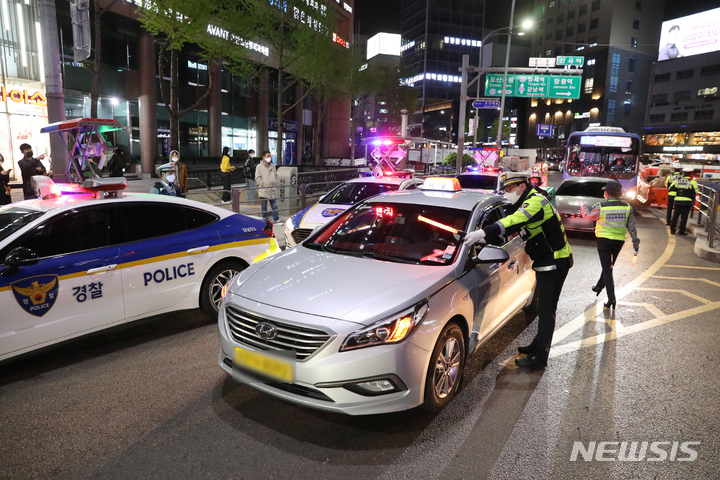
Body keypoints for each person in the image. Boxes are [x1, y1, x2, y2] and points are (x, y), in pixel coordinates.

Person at [464, 172, 573, 369]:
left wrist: (483, 232)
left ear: (522, 187)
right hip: (547, 261)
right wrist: (486, 237)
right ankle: (538, 344)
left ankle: (540, 357)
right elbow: (514, 227)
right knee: (543, 308)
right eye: (505, 190)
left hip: (555, 262)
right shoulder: (527, 200)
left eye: (509, 189)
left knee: (547, 311)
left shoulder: (535, 202)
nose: (507, 194)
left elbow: (515, 220)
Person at [579, 180, 640, 309]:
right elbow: (632, 227)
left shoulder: (601, 206)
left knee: (607, 268)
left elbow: (588, 217)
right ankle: (599, 286)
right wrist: (635, 243)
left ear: (607, 193)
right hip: (618, 241)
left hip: (604, 240)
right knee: (609, 266)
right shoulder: (627, 207)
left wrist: (582, 206)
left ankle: (611, 298)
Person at [668, 167, 698, 236]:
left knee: (675, 216)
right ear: (691, 174)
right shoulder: (692, 182)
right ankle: (681, 231)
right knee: (684, 217)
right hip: (687, 202)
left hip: (678, 201)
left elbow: (671, 188)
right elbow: (696, 191)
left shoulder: (677, 181)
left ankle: (672, 230)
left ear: (683, 173)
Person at [255, 150, 279, 223]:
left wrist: (275, 182)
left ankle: (276, 219)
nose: (269, 158)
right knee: (264, 206)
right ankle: (265, 220)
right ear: (263, 157)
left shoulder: (273, 166)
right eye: (268, 156)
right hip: (264, 190)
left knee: (274, 205)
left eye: (270, 156)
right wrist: (262, 184)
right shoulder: (259, 166)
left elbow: (276, 175)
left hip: (272, 189)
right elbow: (257, 177)